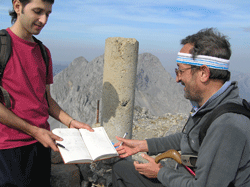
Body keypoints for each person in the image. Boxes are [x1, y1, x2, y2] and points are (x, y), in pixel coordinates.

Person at [112, 28, 250, 187]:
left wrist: (160, 172)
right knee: (122, 168)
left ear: (203, 73)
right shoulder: (213, 106)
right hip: (186, 175)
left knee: (122, 172)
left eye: (180, 70)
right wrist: (143, 145)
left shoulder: (227, 125)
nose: (177, 78)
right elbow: (191, 138)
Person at [0, 0, 93, 186]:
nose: (43, 20)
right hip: (9, 148)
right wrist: (34, 131)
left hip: (41, 145)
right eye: (37, 11)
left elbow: (46, 100)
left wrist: (71, 122)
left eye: (48, 14)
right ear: (17, 6)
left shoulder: (43, 52)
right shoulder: (2, 46)